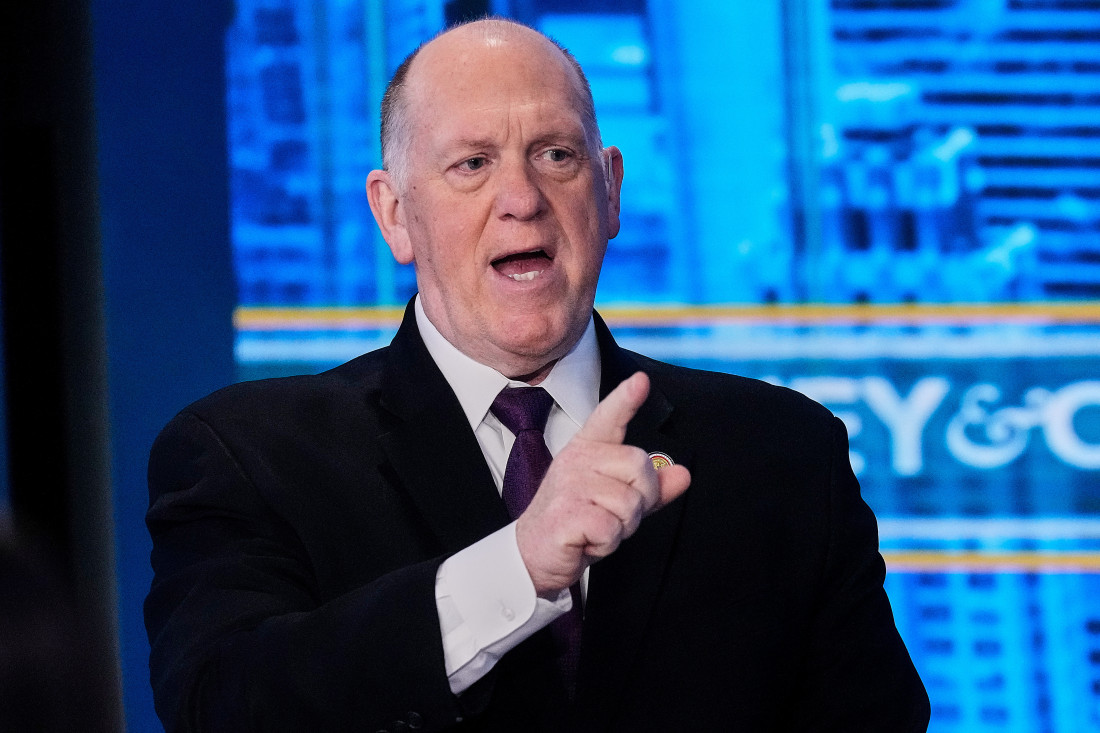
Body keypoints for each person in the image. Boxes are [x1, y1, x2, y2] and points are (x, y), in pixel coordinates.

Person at [145, 18, 929, 732]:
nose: (521, 199)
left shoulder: (782, 450)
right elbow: (221, 705)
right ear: (394, 214)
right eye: (472, 163)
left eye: (556, 155)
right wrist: (516, 566)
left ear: (610, 190)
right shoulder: (247, 454)